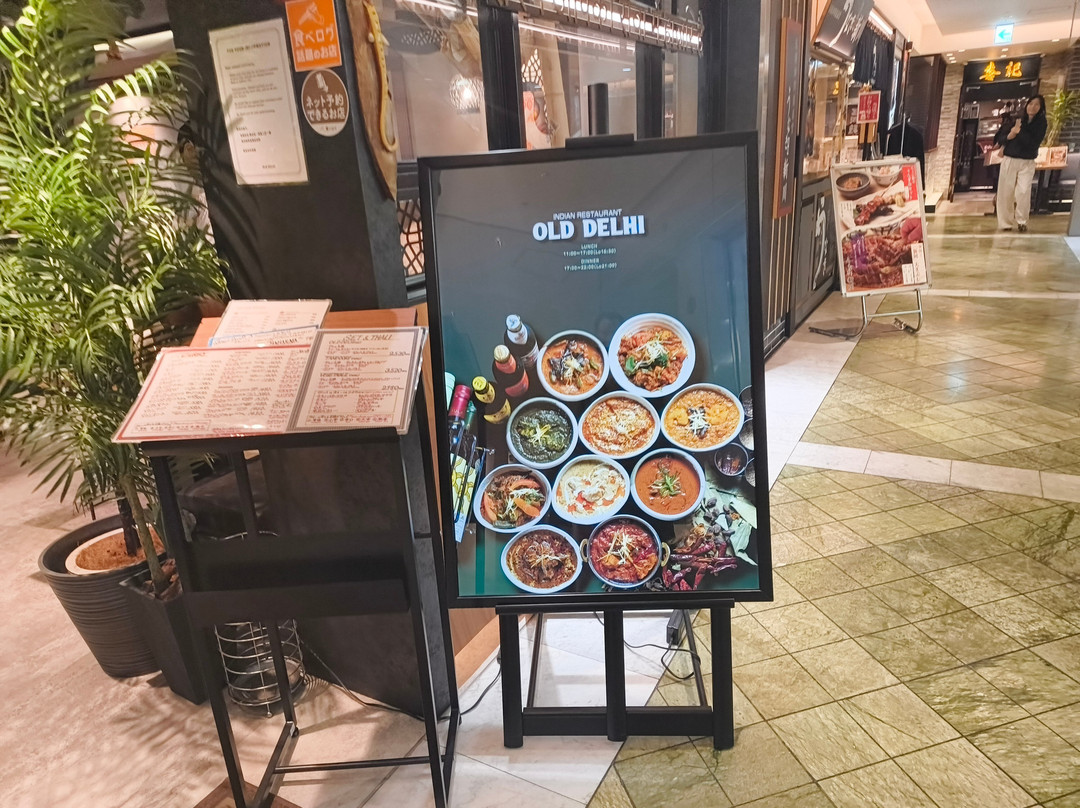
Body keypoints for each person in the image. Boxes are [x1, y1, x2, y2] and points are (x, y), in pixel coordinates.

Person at [997, 95, 1047, 232]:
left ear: (1041, 108)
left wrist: (1020, 132)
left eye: (1036, 105)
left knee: (1023, 191)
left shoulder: (1041, 124)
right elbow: (1000, 138)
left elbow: (1033, 144)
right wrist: (1010, 135)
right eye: (1030, 104)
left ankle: (1022, 221)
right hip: (1010, 159)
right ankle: (1005, 223)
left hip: (1027, 161)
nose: (1032, 107)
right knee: (1005, 192)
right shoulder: (1017, 119)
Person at [984, 111, 1013, 216]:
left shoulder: (1005, 128)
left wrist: (993, 150)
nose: (998, 119)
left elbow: (1000, 142)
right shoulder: (1007, 127)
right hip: (1004, 158)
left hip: (1001, 158)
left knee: (1000, 181)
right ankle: (999, 206)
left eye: (1000, 117)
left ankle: (999, 207)